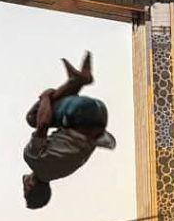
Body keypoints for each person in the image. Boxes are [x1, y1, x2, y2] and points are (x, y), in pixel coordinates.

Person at [22, 51, 116, 209]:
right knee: (32, 118)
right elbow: (43, 124)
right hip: (81, 113)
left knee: (51, 113)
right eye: (24, 190)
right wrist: (44, 97)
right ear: (30, 186)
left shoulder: (63, 172)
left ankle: (78, 81)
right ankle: (77, 81)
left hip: (100, 116)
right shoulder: (32, 158)